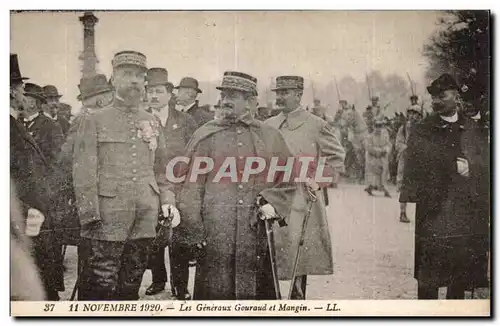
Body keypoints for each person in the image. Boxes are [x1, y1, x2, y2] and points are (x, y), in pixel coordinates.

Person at [176, 71, 296, 300]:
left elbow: (289, 175)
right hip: (215, 235)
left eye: (235, 95)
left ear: (251, 101)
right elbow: (191, 188)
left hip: (255, 234)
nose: (227, 100)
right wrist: (194, 230)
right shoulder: (207, 135)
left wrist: (274, 202)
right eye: (225, 95)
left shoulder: (270, 136)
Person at [72, 51, 180, 300]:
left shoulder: (151, 121)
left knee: (132, 283)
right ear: (113, 79)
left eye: (139, 76)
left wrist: (168, 201)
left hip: (145, 216)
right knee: (102, 283)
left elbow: (162, 171)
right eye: (126, 74)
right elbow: (84, 171)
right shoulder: (95, 119)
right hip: (106, 218)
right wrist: (89, 216)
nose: (134, 81)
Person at [400, 73, 489, 299]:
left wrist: (473, 168)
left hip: (463, 211)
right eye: (434, 98)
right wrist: (452, 166)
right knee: (429, 277)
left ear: (456, 96)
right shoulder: (423, 128)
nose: (436, 101)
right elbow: (417, 162)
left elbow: (486, 162)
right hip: (433, 211)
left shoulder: (471, 128)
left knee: (458, 277)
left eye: (442, 96)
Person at [266, 75, 345, 299]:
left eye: (285, 93)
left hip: (301, 198)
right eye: (278, 93)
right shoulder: (269, 124)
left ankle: (296, 306)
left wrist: (317, 180)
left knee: (297, 256)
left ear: (299, 95)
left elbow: (337, 157)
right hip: (271, 195)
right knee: (272, 254)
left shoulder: (316, 125)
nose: (279, 97)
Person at [143, 67, 198, 299]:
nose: (154, 96)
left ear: (169, 94)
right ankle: (158, 279)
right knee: (154, 237)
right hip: (152, 187)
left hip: (179, 188)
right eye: (150, 91)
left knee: (179, 239)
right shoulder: (142, 120)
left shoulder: (185, 121)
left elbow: (195, 155)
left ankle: (180, 285)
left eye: (158, 91)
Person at [10, 53, 58, 300]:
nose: (22, 95)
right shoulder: (10, 125)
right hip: (21, 215)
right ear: (11, 91)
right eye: (19, 89)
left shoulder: (17, 124)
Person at [396, 95, 423, 223]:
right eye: (411, 113)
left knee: (421, 186)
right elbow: (398, 143)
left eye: (416, 114)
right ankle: (402, 212)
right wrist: (406, 148)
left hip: (419, 160)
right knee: (404, 187)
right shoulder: (403, 128)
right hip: (406, 159)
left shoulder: (424, 128)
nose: (413, 116)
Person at [23, 83, 64, 166]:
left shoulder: (51, 126)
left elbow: (58, 160)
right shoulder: (16, 123)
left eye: (22, 99)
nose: (17, 100)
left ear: (31, 103)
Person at [364, 118, 392, 197]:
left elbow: (388, 145)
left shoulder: (385, 136)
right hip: (372, 157)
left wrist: (385, 151)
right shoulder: (370, 136)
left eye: (380, 126)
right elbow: (368, 147)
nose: (378, 128)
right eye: (376, 126)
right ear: (373, 126)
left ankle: (385, 189)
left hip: (382, 156)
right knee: (373, 171)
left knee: (384, 170)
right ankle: (370, 187)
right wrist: (376, 152)